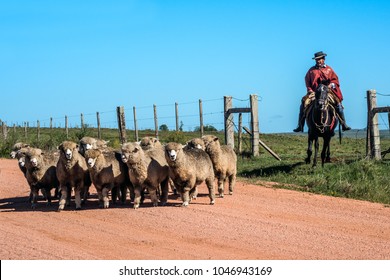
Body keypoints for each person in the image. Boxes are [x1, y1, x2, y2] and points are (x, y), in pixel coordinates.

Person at [293, 51, 351, 132]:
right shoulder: (311, 71)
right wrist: (309, 89)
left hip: (327, 92)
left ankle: (343, 123)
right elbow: (307, 81)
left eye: (320, 59)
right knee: (304, 102)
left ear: (323, 59)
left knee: (338, 103)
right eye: (317, 59)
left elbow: (335, 80)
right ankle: (300, 125)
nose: (318, 61)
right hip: (314, 92)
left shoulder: (329, 70)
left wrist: (331, 85)